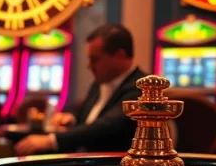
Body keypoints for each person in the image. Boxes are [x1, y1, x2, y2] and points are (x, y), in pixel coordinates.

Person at [14, 24, 147, 155]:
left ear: (120, 56)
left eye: (95, 59)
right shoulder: (100, 82)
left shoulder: (141, 87)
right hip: (87, 158)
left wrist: (52, 140)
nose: (89, 66)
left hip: (111, 164)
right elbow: (85, 112)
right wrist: (71, 117)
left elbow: (107, 126)